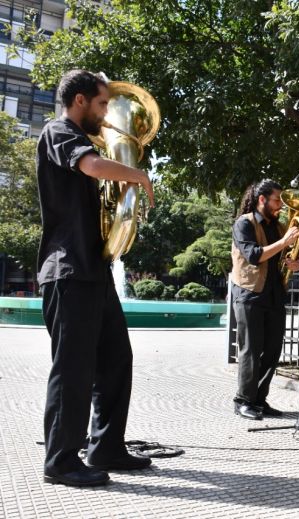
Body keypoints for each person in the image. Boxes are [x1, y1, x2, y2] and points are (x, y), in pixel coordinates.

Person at [37, 70, 155, 487]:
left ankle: (106, 446)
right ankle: (61, 460)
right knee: (73, 369)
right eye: (104, 104)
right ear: (81, 100)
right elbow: (89, 166)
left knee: (116, 360)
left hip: (93, 270)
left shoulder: (82, 135)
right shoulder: (58, 130)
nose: (108, 114)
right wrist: (136, 176)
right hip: (68, 269)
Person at [231, 179, 299, 420]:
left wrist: (296, 263)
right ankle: (243, 400)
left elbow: (288, 258)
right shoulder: (244, 224)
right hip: (249, 294)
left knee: (272, 350)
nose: (280, 206)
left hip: (274, 294)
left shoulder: (280, 227)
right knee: (251, 350)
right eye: (276, 200)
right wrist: (283, 243)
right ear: (262, 199)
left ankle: (260, 400)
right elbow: (253, 255)